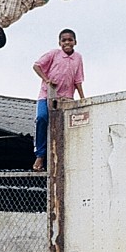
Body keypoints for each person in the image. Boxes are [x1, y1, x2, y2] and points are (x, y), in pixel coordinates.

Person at [31, 28, 85, 171]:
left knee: (63, 126)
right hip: (47, 95)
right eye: (64, 40)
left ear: (75, 42)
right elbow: (36, 66)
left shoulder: (78, 58)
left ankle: (63, 158)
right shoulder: (54, 54)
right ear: (59, 42)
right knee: (42, 118)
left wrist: (82, 98)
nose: (67, 42)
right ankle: (40, 155)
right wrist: (47, 80)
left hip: (66, 98)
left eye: (70, 40)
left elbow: (78, 79)